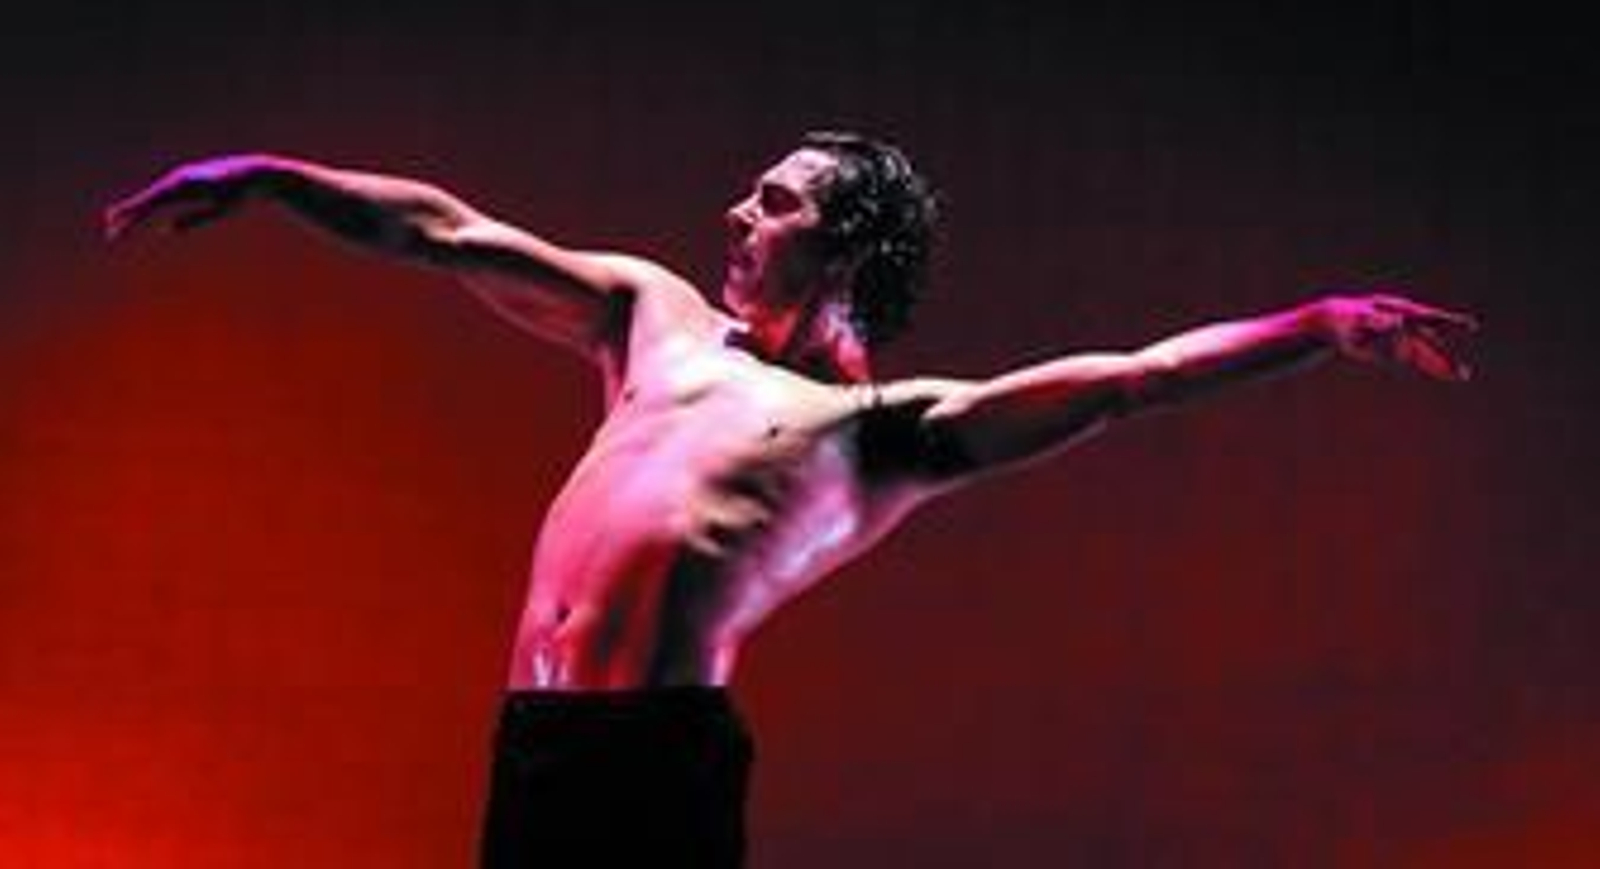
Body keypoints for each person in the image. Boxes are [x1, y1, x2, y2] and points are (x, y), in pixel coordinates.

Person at [103, 131, 1476, 867]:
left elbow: (1134, 378)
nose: (737, 216)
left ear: (846, 244)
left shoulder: (883, 432)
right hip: (534, 745)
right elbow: (445, 232)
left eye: (773, 203)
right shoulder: (649, 317)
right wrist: (274, 179)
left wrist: (1319, 324)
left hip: (656, 765)